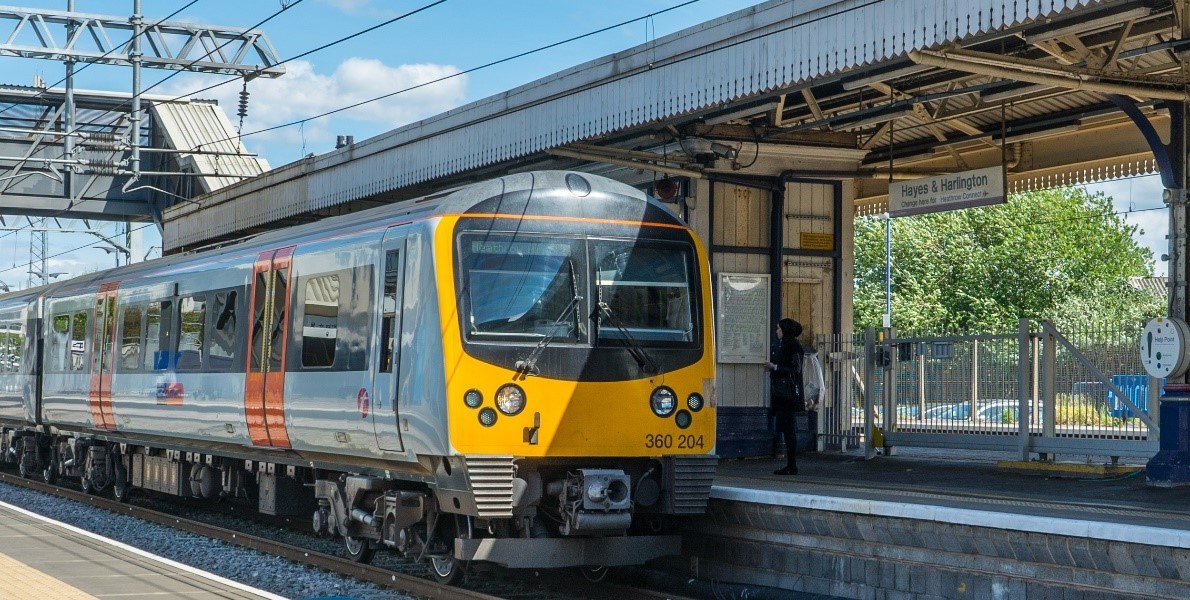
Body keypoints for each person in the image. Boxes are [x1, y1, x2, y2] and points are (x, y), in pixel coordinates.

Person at [765, 318, 804, 475]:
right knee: (786, 428)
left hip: (787, 394)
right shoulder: (784, 345)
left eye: (779, 329)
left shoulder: (793, 346)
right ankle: (790, 464)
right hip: (782, 394)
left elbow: (795, 370)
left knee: (789, 429)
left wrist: (774, 367)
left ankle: (792, 464)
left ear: (785, 330)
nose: (777, 331)